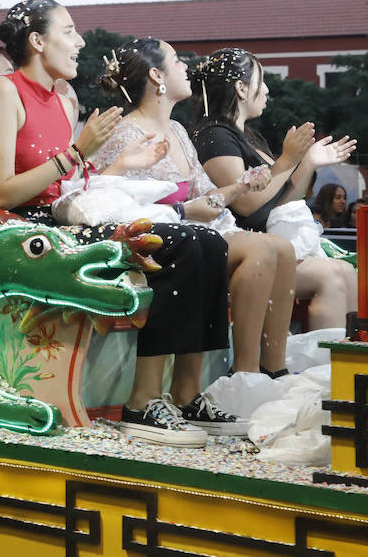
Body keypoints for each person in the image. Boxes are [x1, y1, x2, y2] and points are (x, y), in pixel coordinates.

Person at [0, 0, 242, 446]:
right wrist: (78, 152)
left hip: (63, 218)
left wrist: (119, 166)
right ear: (37, 41)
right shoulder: (4, 91)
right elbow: (2, 193)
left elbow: (71, 184)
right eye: (69, 31)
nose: (80, 41)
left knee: (208, 241)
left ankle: (187, 392)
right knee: (172, 240)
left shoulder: (66, 98)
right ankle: (141, 402)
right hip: (19, 229)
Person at [92, 38, 295, 377]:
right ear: (157, 76)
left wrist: (240, 187)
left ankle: (274, 367)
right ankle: (245, 371)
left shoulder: (177, 131)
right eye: (176, 60)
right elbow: (115, 201)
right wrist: (196, 207)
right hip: (160, 238)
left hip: (196, 227)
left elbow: (207, 195)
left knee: (283, 248)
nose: (186, 66)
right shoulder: (126, 134)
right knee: (259, 249)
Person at [190, 48, 358, 330]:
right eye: (261, 81)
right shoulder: (214, 135)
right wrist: (288, 160)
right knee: (331, 276)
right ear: (241, 89)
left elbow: (280, 200)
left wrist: (308, 162)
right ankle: (322, 357)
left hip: (274, 242)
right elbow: (247, 204)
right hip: (247, 252)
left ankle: (347, 354)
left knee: (345, 270)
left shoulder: (248, 136)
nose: (267, 90)